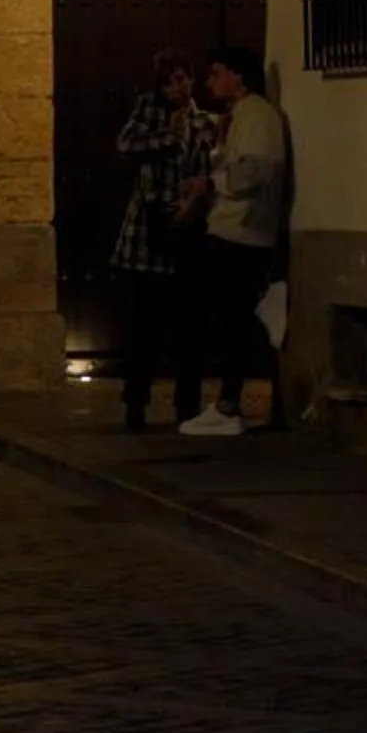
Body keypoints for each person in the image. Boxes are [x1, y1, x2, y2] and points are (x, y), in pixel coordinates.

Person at [174, 45, 286, 438]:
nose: (210, 81)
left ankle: (228, 405)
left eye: (217, 72)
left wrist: (211, 183)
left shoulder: (257, 115)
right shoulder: (240, 116)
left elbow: (253, 173)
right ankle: (223, 402)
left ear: (238, 75)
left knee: (228, 319)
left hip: (241, 232)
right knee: (225, 319)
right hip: (229, 229)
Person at [110, 50, 217, 431]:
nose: (178, 88)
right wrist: (167, 137)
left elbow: (209, 166)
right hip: (148, 234)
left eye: (182, 79)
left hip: (187, 230)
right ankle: (135, 404)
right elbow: (126, 146)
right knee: (144, 327)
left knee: (189, 326)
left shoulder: (204, 122)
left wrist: (193, 203)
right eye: (169, 82)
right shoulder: (148, 114)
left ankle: (187, 404)